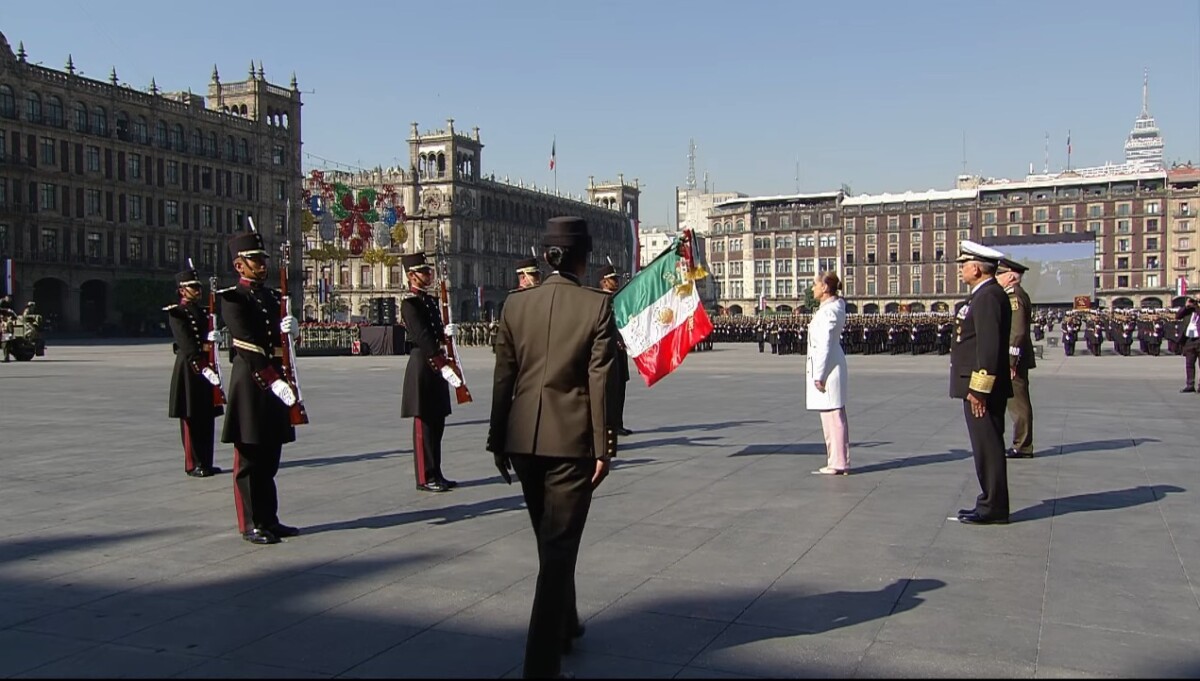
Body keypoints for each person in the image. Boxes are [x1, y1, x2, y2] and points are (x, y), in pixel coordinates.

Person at [488, 216, 619, 679]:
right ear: (584, 259)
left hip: (523, 440)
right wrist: (605, 445)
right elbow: (599, 381)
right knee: (559, 550)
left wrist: (496, 438)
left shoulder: (515, 305)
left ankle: (566, 622)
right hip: (570, 444)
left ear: (546, 257)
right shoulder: (596, 307)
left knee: (551, 542)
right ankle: (540, 666)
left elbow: (504, 376)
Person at [218, 231, 301, 545]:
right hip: (252, 384)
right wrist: (273, 379)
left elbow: (281, 345)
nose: (262, 266)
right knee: (250, 459)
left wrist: (293, 333)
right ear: (240, 265)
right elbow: (248, 345)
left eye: (263, 260)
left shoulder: (270, 297)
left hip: (275, 384)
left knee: (270, 457)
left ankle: (270, 519)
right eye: (255, 261)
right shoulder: (233, 299)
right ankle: (251, 523)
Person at [950, 241, 1013, 526]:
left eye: (964, 265)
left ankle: (993, 507)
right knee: (985, 446)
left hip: (981, 389)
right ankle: (989, 501)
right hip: (978, 386)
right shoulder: (986, 294)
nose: (962, 269)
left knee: (987, 447)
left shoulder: (987, 297)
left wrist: (978, 389)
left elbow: (987, 348)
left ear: (976, 268)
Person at [399, 252, 460, 493]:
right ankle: (425, 476)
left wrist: (448, 334)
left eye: (429, 271)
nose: (429, 275)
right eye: (424, 272)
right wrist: (442, 363)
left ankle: (437, 471)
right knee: (424, 425)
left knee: (438, 422)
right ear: (412, 276)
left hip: (436, 365)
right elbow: (423, 337)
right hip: (422, 365)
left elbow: (436, 333)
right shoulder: (410, 304)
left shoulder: (431, 301)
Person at [165, 268, 224, 478]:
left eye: (199, 287)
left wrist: (215, 338)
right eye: (193, 287)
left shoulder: (205, 311)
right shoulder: (177, 313)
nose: (198, 290)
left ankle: (206, 461)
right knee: (191, 418)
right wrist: (201, 365)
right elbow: (187, 343)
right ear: (182, 290)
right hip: (190, 368)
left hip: (206, 367)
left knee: (206, 417)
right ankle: (193, 463)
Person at [806, 271, 850, 475]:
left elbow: (823, 344)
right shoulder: (830, 308)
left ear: (825, 288)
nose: (812, 288)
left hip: (829, 367)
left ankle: (838, 461)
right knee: (832, 415)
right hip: (831, 363)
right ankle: (836, 460)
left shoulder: (828, 311)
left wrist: (819, 375)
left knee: (833, 415)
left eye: (815, 284)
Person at [997, 258, 1035, 459]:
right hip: (1015, 357)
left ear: (1011, 276)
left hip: (1015, 359)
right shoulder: (1015, 295)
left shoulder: (1014, 297)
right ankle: (1021, 443)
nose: (997, 278)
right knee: (1015, 401)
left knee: (1018, 402)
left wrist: (1011, 361)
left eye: (1000, 274)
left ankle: (1022, 445)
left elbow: (1018, 332)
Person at [598, 264, 632, 436]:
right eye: (613, 279)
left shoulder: (618, 299)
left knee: (620, 389)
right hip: (609, 351)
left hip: (620, 352)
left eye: (617, 279)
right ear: (604, 282)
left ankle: (618, 423)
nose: (616, 282)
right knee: (611, 391)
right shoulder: (601, 302)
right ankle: (609, 425)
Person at [1176, 298, 1200, 392]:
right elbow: (1178, 316)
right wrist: (1186, 306)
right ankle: (1190, 384)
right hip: (1189, 340)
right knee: (1189, 364)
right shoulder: (1188, 311)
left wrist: (1197, 306)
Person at [0, 295, 14, 362]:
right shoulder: (1, 301)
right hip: (5, 334)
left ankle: (6, 358)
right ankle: (6, 358)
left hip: (6, 335)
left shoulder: (8, 322)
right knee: (5, 346)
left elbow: (10, 330)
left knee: (6, 346)